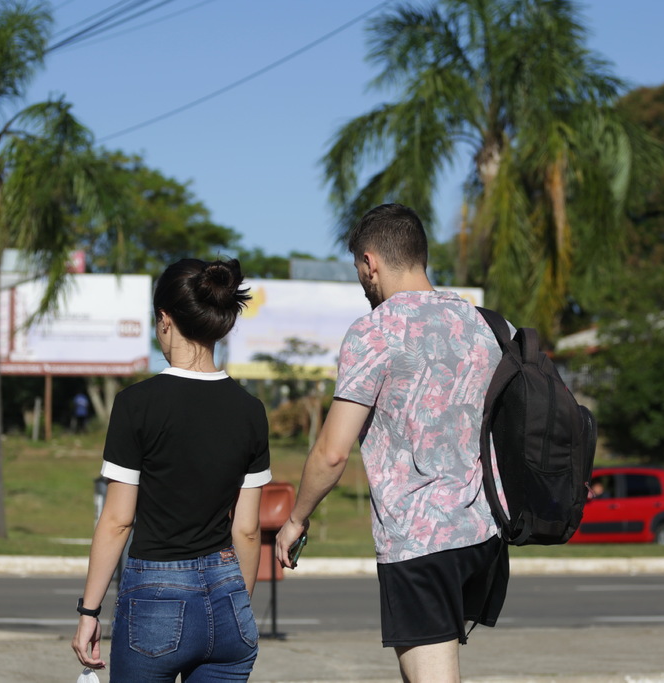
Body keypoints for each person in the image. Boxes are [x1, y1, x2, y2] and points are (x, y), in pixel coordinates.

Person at [275, 203, 509, 683]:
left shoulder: (375, 331)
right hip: (484, 534)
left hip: (420, 539)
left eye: (358, 269)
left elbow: (332, 452)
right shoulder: (485, 324)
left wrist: (296, 518)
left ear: (370, 262)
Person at [72, 258, 272, 681]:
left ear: (164, 319)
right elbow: (248, 530)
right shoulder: (251, 411)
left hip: (155, 597)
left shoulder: (136, 404)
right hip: (229, 596)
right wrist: (238, 605)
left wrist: (89, 611)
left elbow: (117, 520)